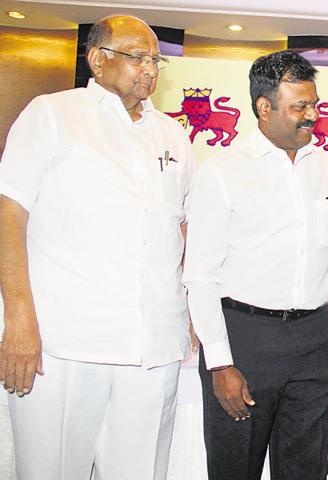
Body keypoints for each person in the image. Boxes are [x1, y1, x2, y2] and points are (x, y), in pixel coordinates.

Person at [0, 15, 195, 480]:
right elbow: (10, 217)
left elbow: (183, 231)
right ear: (97, 59)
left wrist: (188, 313)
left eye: (155, 60)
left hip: (153, 349)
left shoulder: (173, 135)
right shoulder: (52, 114)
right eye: (138, 57)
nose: (149, 69)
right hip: (64, 344)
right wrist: (19, 319)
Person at [183, 49, 328, 480]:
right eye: (299, 106)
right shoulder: (222, 174)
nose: (312, 115)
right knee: (235, 467)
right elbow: (201, 277)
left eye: (315, 104)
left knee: (305, 468)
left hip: (318, 339)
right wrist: (221, 364)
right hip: (246, 340)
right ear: (264, 108)